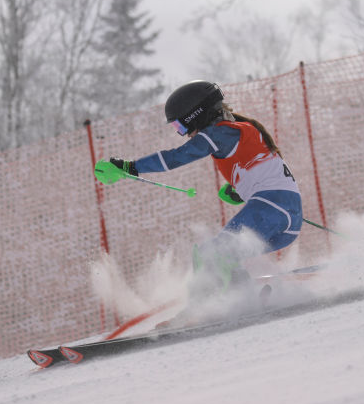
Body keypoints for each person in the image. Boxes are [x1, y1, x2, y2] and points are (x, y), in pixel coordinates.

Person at [94, 80, 303, 297]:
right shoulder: (242, 130)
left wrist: (130, 167)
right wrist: (240, 191)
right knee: (223, 255)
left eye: (180, 126)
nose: (183, 133)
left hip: (270, 209)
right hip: (289, 221)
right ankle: (245, 297)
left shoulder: (219, 134)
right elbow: (266, 170)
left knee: (210, 253)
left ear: (197, 116)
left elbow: (177, 157)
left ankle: (216, 301)